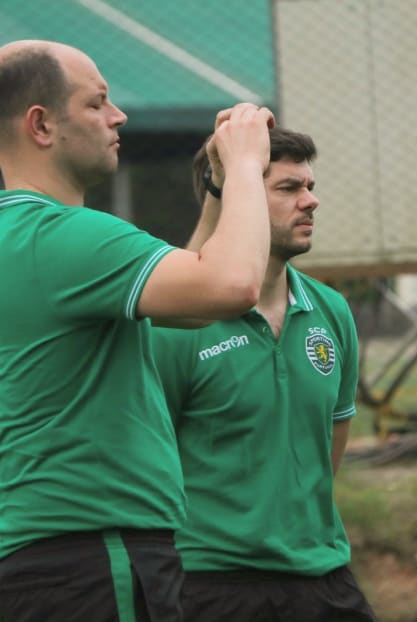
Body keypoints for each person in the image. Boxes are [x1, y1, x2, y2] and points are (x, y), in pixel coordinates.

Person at [0, 40, 274, 622]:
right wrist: (250, 160)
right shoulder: (62, 236)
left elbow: (191, 309)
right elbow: (232, 286)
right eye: (97, 103)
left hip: (41, 558)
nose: (118, 116)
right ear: (41, 125)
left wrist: (222, 190)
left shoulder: (23, 241)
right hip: (92, 554)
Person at [150, 127, 376, 621]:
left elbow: (325, 453)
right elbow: (148, 460)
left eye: (310, 186)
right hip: (211, 584)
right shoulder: (176, 324)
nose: (310, 201)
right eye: (288, 189)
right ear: (238, 199)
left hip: (325, 577)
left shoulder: (332, 311)